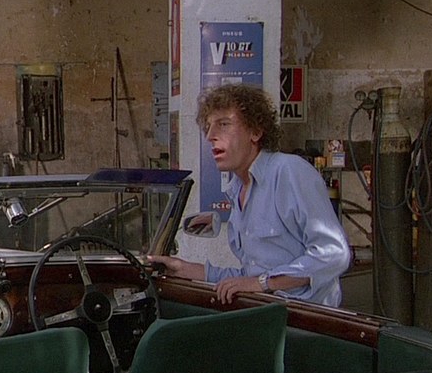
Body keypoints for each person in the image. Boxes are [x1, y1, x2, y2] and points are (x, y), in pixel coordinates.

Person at [150, 83, 351, 306]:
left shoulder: (289, 171)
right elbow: (248, 278)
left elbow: (334, 254)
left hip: (306, 318)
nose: (211, 136)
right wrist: (184, 269)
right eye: (208, 127)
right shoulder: (237, 190)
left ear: (255, 132)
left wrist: (263, 283)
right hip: (263, 312)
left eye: (223, 124)